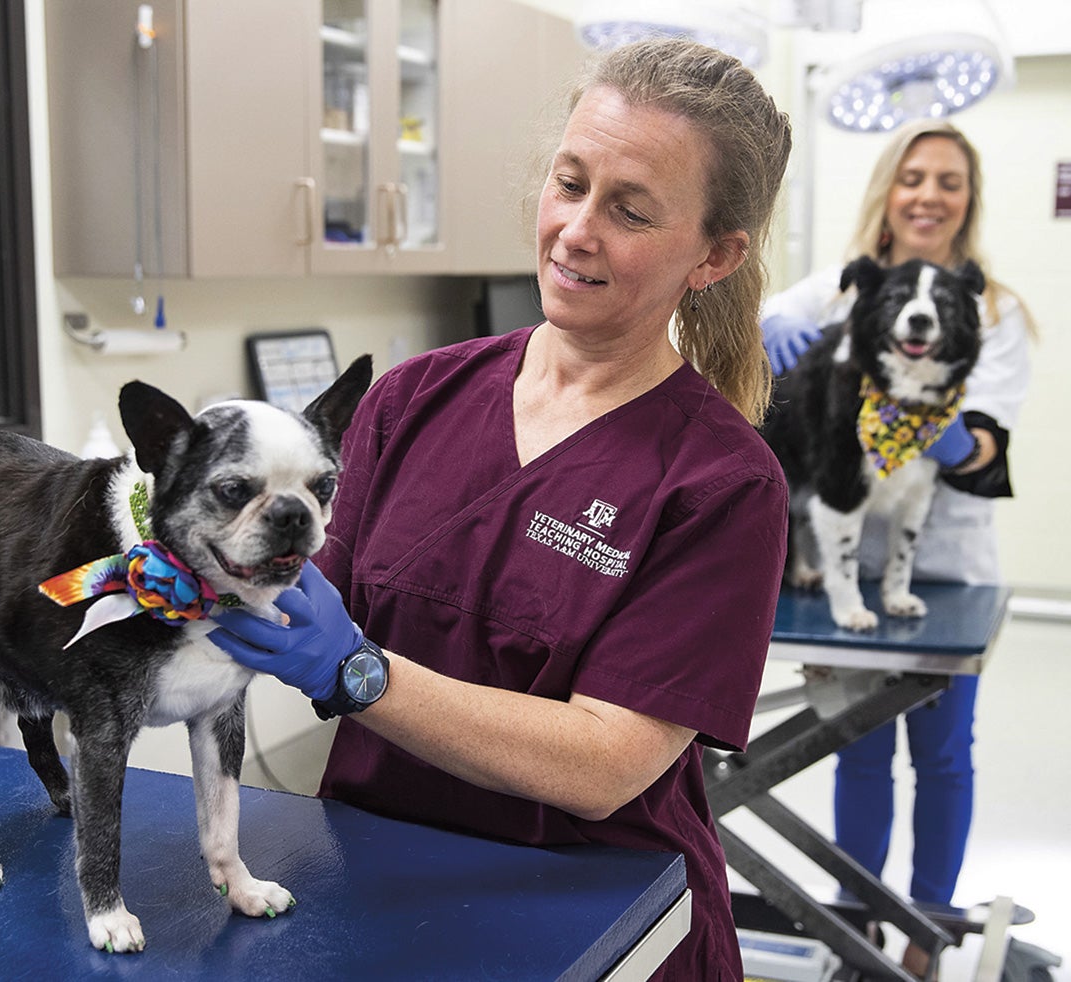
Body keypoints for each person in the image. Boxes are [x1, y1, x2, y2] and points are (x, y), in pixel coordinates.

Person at [209, 38, 793, 979]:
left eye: (631, 210)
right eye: (569, 184)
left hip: (599, 921)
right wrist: (173, 559)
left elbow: (605, 765)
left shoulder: (723, 484)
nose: (576, 230)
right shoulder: (413, 400)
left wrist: (361, 674)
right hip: (379, 890)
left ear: (715, 255)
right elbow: (291, 593)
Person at [761, 118, 1033, 978]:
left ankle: (929, 929)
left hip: (944, 571)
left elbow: (987, 451)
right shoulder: (843, 292)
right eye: (915, 176)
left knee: (943, 754)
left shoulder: (994, 311)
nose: (930, 194)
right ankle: (857, 924)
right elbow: (758, 317)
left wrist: (946, 428)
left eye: (950, 181)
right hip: (844, 570)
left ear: (967, 200)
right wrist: (770, 336)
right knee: (859, 748)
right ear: (892, 186)